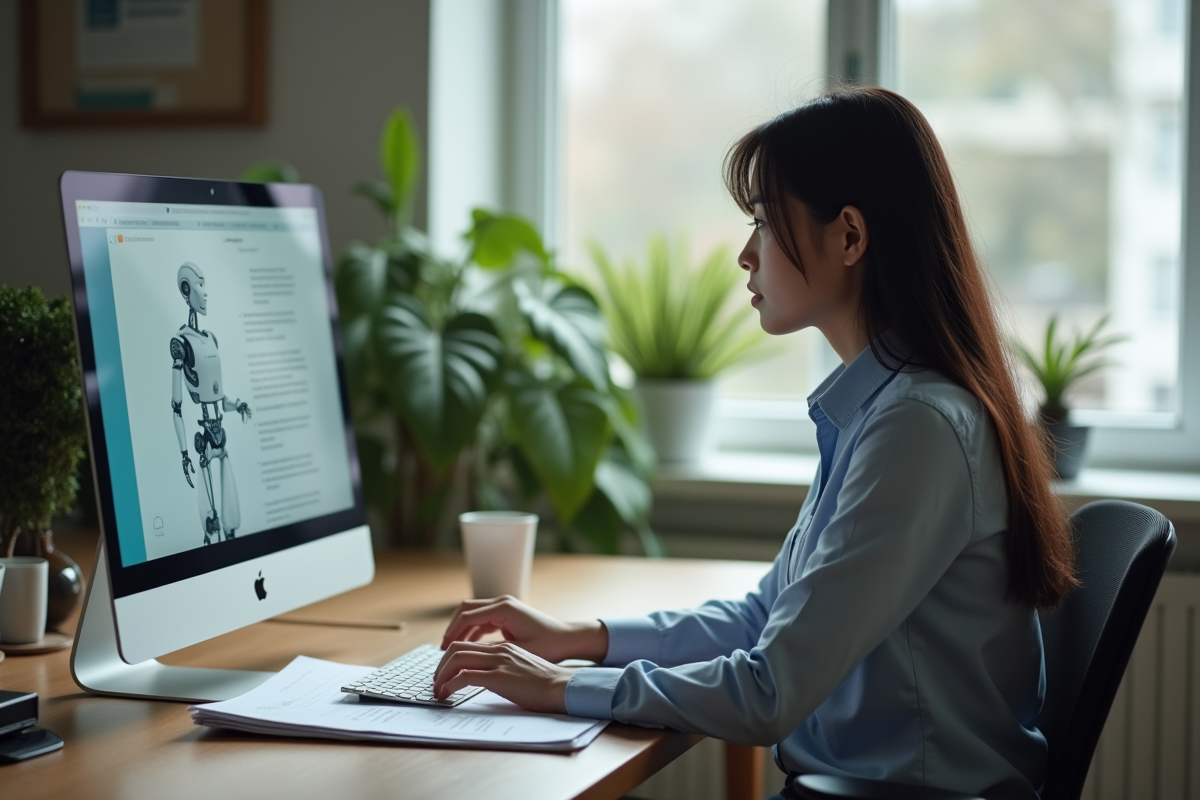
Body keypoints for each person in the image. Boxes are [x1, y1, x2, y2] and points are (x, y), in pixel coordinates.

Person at [432, 86, 1076, 800]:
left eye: (765, 223)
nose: (745, 254)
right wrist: (579, 637)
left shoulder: (918, 427)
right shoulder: (882, 410)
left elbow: (770, 691)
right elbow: (764, 618)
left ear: (851, 238)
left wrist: (566, 688)